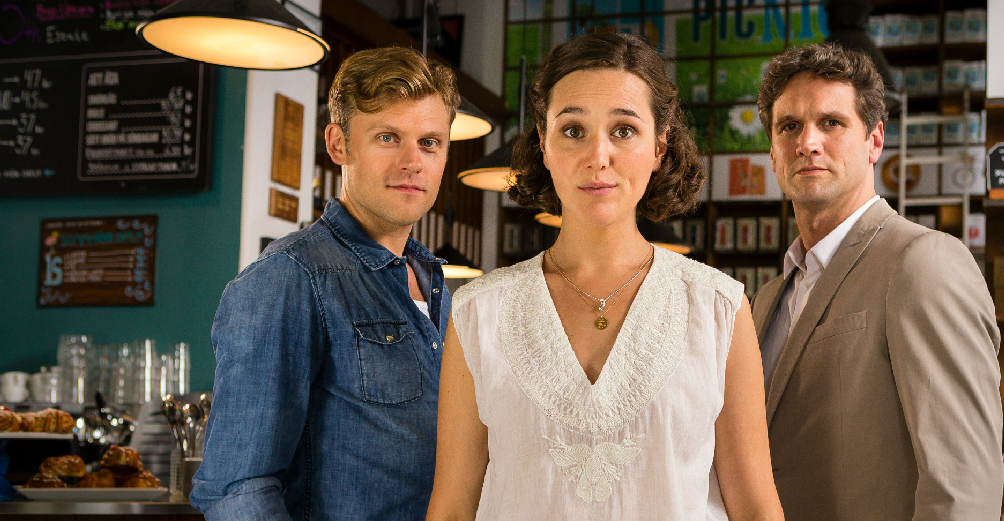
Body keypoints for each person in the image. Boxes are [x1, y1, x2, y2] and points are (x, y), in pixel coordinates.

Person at [425, 32, 783, 520]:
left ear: (660, 146)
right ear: (543, 144)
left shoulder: (718, 308)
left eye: (624, 130)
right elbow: (452, 508)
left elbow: (757, 509)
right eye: (573, 130)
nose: (598, 155)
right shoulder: (477, 314)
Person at [191, 47, 458, 519]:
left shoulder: (436, 286)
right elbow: (237, 488)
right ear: (338, 145)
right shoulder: (288, 277)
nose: (412, 161)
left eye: (429, 142)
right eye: (388, 137)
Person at [750, 42, 1003, 520]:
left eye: (831, 122)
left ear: (875, 141)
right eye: (789, 126)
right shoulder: (765, 301)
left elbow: (963, 488)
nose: (808, 142)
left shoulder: (922, 263)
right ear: (773, 154)